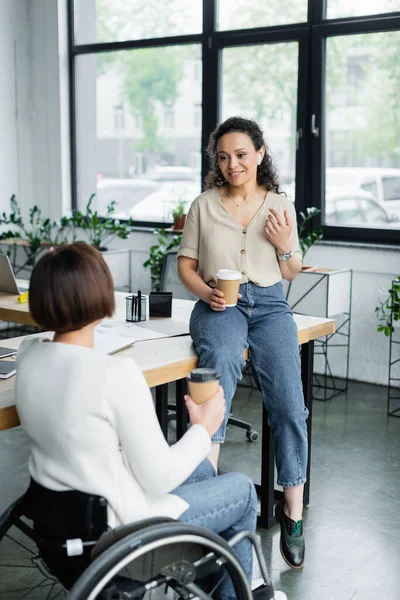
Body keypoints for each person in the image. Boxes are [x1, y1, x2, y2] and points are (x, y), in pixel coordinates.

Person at [15, 242, 260, 599]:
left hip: (59, 528)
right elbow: (159, 477)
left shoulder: (29, 356)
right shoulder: (114, 374)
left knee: (206, 473)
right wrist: (202, 429)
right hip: (117, 536)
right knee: (242, 491)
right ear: (102, 298)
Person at [177, 116, 307, 569]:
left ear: (260, 154)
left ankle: (292, 509)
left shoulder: (279, 204)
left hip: (270, 305)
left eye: (242, 155)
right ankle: (206, 501)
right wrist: (204, 292)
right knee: (219, 373)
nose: (233, 164)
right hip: (220, 304)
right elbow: (187, 266)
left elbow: (291, 271)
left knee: (289, 403)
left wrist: (284, 241)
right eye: (224, 156)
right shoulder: (203, 205)